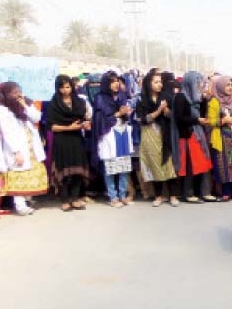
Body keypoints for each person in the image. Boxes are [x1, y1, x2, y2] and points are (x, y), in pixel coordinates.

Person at [0, 82, 47, 215]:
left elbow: (37, 117)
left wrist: (24, 104)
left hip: (31, 145)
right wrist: (16, 152)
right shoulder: (3, 109)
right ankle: (20, 206)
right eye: (13, 93)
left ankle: (27, 199)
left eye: (18, 91)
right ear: (5, 94)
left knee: (30, 172)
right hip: (17, 148)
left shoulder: (25, 104)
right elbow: (7, 132)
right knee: (18, 175)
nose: (17, 95)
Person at [47, 75, 90, 211]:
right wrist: (69, 127)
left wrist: (86, 124)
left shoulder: (78, 102)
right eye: (62, 87)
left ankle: (75, 199)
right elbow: (52, 127)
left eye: (68, 87)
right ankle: (65, 200)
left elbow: (84, 119)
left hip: (76, 139)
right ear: (57, 88)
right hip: (62, 140)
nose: (65, 90)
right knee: (64, 172)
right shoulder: (54, 104)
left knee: (77, 170)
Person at [137, 69, 179, 207]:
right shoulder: (142, 100)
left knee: (168, 164)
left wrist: (167, 112)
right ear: (149, 84)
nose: (159, 85)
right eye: (156, 82)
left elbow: (174, 116)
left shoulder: (167, 96)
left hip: (165, 134)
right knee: (154, 164)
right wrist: (158, 111)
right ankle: (159, 196)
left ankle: (173, 196)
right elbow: (143, 119)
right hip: (149, 134)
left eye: (160, 82)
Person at [92, 71, 133, 207]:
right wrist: (118, 113)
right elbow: (100, 119)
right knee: (110, 166)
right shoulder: (100, 98)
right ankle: (112, 196)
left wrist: (126, 113)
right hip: (108, 135)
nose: (116, 84)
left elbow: (126, 116)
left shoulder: (122, 96)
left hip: (122, 133)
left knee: (123, 166)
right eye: (112, 81)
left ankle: (122, 194)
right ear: (106, 84)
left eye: (117, 81)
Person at [172, 71, 214, 202]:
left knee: (204, 163)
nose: (200, 85)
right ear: (190, 83)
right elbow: (179, 118)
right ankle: (189, 194)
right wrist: (197, 121)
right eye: (197, 82)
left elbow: (201, 115)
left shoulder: (197, 99)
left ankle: (204, 192)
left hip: (198, 135)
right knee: (190, 165)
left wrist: (205, 101)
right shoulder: (180, 97)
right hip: (188, 136)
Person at [207, 75, 232, 199]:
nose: (230, 87)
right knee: (223, 164)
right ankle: (225, 191)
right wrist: (224, 120)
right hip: (221, 136)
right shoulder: (214, 101)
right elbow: (211, 120)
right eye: (227, 85)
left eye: (231, 85)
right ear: (220, 87)